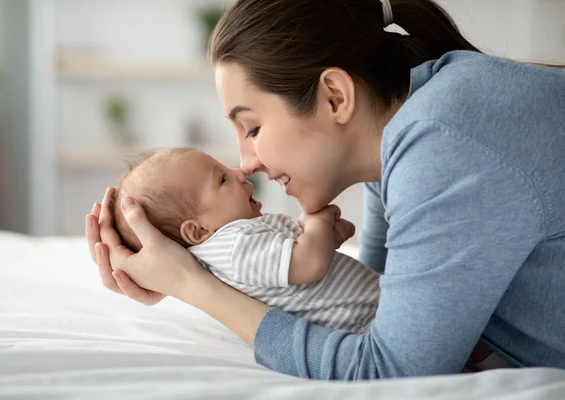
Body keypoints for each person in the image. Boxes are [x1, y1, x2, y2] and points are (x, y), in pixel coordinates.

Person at [85, 0, 565, 379]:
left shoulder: (442, 138)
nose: (247, 163)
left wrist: (192, 285)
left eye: (251, 128)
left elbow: (390, 369)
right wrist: (200, 264)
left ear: (335, 96)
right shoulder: (404, 137)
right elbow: (379, 308)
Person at [109, 147, 379, 333]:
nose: (240, 172)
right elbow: (308, 264)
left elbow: (291, 266)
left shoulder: (231, 248)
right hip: (366, 317)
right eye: (223, 179)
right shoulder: (234, 246)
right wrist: (317, 220)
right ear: (199, 231)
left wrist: (321, 237)